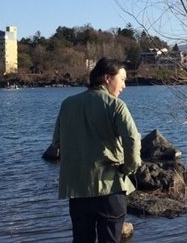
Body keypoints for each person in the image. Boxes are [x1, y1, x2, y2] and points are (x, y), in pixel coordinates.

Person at [52, 57, 142, 243]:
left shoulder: (67, 104)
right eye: (123, 79)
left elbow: (56, 143)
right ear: (107, 78)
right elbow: (132, 140)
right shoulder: (116, 105)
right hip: (109, 189)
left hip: (77, 191)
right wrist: (128, 169)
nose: (124, 85)